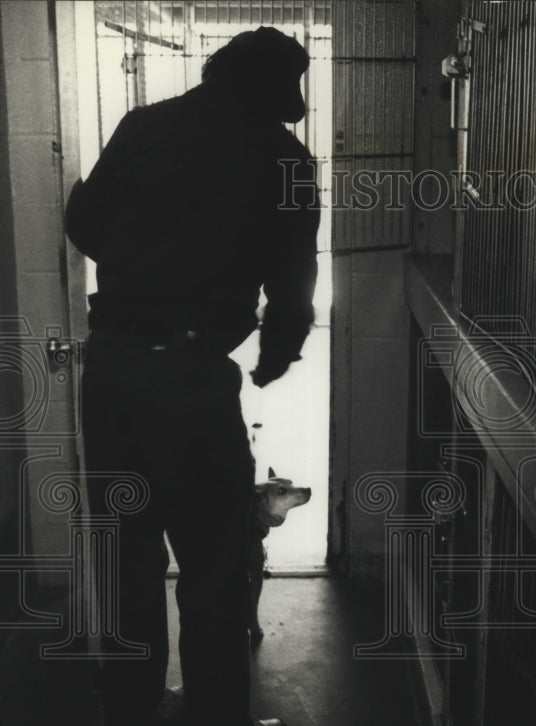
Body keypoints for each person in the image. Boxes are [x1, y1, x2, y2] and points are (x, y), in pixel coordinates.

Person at [64, 26, 319, 726]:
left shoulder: (143, 125)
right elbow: (293, 282)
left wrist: (144, 265)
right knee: (212, 570)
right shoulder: (285, 159)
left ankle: (130, 709)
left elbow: (84, 222)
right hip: (192, 379)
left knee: (125, 561)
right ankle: (215, 714)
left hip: (112, 373)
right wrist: (275, 356)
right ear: (279, 89)